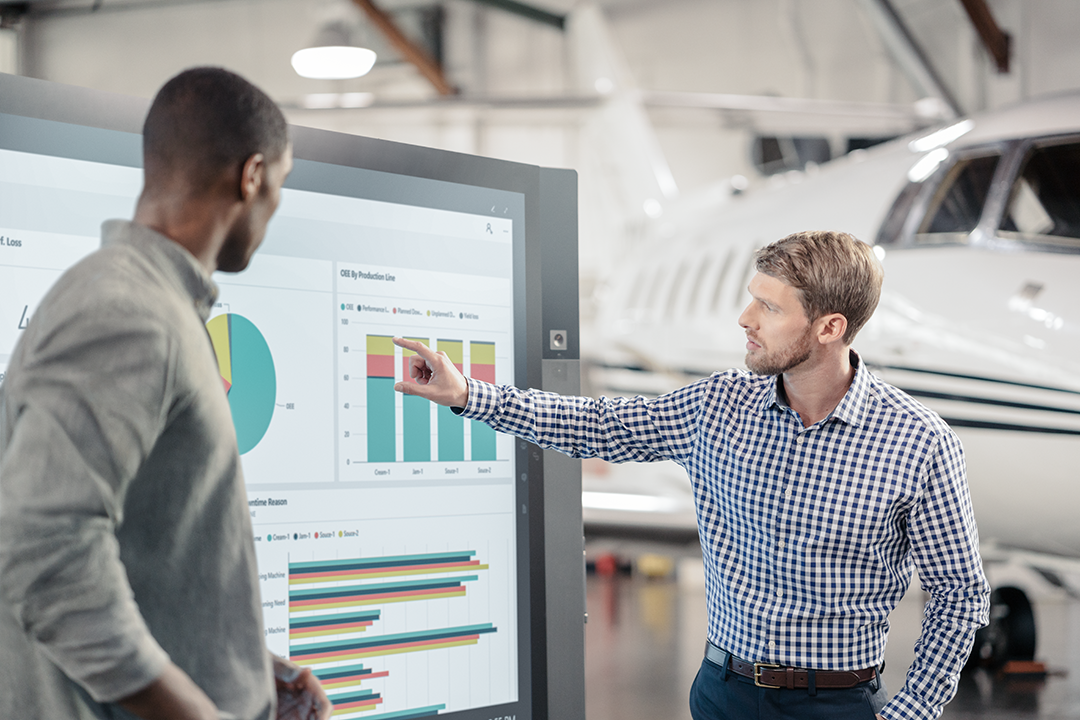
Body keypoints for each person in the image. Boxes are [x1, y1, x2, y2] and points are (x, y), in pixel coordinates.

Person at [392, 230, 990, 720]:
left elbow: (960, 593)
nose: (745, 318)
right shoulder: (719, 406)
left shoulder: (919, 443)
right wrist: (468, 394)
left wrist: (912, 710)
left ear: (829, 328)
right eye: (753, 298)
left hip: (836, 704)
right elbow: (601, 426)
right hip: (720, 694)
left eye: (770, 307)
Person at [0, 68, 329, 720]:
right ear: (252, 175)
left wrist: (242, 667)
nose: (275, 210)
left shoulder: (157, 307)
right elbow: (44, 552)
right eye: (282, 185)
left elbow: (145, 553)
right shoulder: (125, 310)